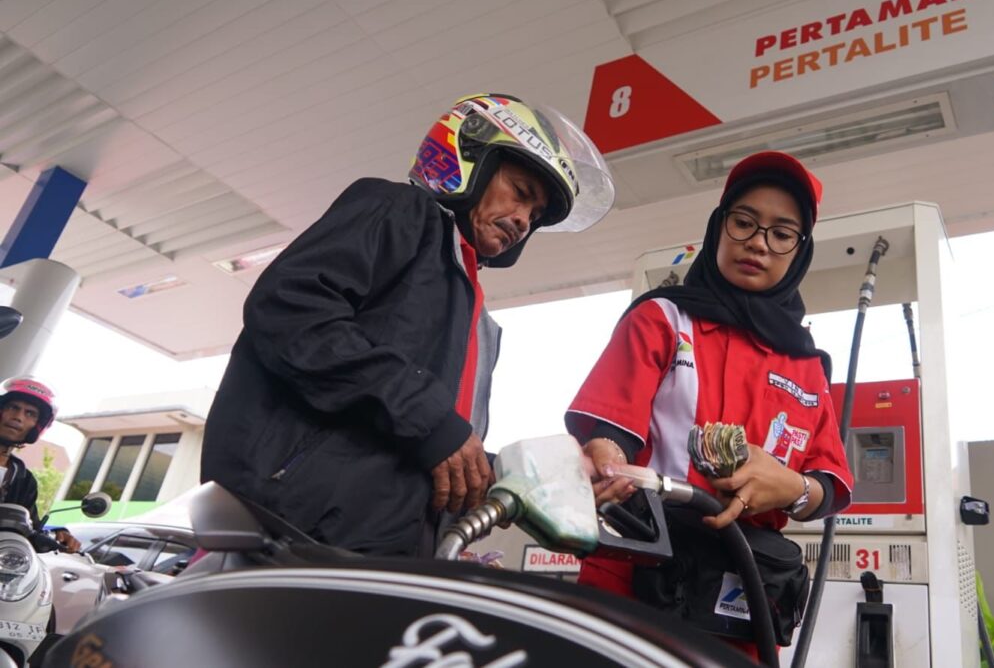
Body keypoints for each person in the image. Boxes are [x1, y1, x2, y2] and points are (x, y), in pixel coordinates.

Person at [201, 93, 614, 556]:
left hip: (381, 542)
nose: (523, 220)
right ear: (472, 161)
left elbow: (436, 440)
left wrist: (532, 478)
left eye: (535, 216)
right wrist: (431, 422)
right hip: (294, 527)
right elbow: (290, 307)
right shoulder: (401, 209)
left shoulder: (476, 316)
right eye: (520, 193)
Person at [565, 151, 853, 657]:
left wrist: (791, 487)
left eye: (782, 234)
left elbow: (828, 486)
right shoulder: (662, 319)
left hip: (741, 599)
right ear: (719, 226)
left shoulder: (807, 365)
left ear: (799, 251)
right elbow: (610, 430)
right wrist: (606, 461)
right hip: (635, 577)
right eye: (744, 223)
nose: (758, 243)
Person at [0, 377, 81, 553]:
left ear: (37, 425)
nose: (18, 417)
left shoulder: (23, 479)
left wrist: (56, 534)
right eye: (13, 407)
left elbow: (29, 528)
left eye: (30, 413)